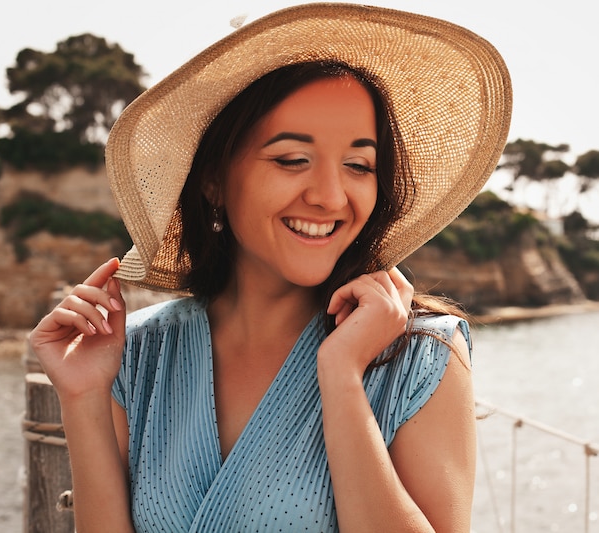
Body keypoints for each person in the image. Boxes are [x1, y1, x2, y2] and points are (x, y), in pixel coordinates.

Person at [29, 3, 512, 532]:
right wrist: (82, 396)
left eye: (359, 165)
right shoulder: (137, 353)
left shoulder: (422, 356)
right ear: (213, 179)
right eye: (291, 159)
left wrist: (342, 376)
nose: (330, 197)